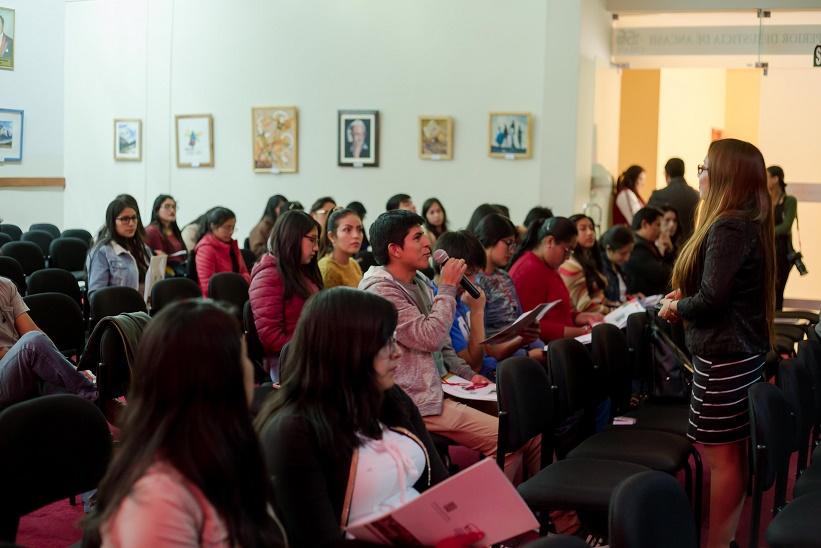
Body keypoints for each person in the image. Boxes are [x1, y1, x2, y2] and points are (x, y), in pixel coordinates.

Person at [256, 288, 484, 547]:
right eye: (385, 342)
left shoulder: (389, 396)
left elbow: (437, 483)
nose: (397, 352)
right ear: (346, 348)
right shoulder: (292, 432)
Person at [83, 300, 285, 547]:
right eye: (242, 355)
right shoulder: (158, 500)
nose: (249, 367)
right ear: (217, 376)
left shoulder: (227, 443)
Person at [359, 210, 540, 480]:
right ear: (395, 249)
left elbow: (441, 348)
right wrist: (447, 288)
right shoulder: (380, 291)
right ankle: (487, 519)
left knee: (531, 425)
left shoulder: (418, 281)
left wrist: (468, 375)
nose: (427, 245)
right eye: (418, 238)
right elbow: (428, 336)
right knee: (509, 440)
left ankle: (556, 517)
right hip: (413, 398)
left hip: (443, 385)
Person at [658, 139, 774, 548]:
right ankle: (724, 540)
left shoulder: (727, 225)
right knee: (731, 456)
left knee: (721, 459)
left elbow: (712, 298)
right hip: (738, 352)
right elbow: (718, 289)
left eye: (704, 167)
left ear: (724, 175)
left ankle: (718, 542)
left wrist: (677, 308)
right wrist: (683, 297)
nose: (700, 174)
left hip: (724, 355)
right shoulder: (744, 221)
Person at [0, 276, 122, 423]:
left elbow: (31, 329)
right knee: (33, 344)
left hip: (21, 368)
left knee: (66, 387)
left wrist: (62, 365)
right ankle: (100, 400)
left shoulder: (5, 286)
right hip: (5, 378)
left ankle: (94, 425)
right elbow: (31, 343)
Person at [435, 230, 543, 382]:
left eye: (475, 275)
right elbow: (474, 365)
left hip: (494, 370)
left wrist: (521, 338)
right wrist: (477, 312)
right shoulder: (441, 305)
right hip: (478, 379)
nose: (473, 282)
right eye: (468, 274)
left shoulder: (462, 299)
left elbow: (488, 352)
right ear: (446, 269)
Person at [249, 210, 322, 382]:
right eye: (312, 240)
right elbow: (272, 339)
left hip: (309, 354)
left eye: (317, 241)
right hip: (291, 363)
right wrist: (317, 343)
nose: (316, 248)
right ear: (292, 237)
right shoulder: (268, 276)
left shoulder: (299, 271)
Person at [508, 216, 604, 341]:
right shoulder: (528, 269)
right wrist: (581, 332)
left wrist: (578, 317)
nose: (568, 257)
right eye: (567, 250)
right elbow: (530, 325)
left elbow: (555, 312)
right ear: (550, 241)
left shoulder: (547, 265)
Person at [87, 196, 152, 299]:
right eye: (125, 219)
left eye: (134, 218)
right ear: (113, 222)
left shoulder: (144, 249)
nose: (131, 224)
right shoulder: (102, 253)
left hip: (144, 311)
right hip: (118, 313)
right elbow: (96, 296)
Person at [193, 207, 250, 297]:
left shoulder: (232, 245)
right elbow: (207, 286)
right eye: (227, 228)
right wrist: (238, 283)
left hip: (236, 294)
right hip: (216, 300)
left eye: (233, 228)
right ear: (213, 226)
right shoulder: (205, 249)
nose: (231, 232)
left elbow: (245, 272)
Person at [559, 214, 609, 314]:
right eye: (583, 229)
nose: (590, 233)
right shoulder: (571, 264)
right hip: (588, 319)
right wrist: (611, 310)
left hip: (599, 314)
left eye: (591, 228)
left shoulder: (589, 259)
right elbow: (583, 306)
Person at [621, 207, 671, 297]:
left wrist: (669, 250)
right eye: (658, 225)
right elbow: (661, 275)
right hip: (646, 297)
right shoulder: (636, 247)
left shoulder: (647, 243)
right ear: (644, 224)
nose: (660, 231)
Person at [647, 158, 700, 241]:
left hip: (666, 245)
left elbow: (648, 220)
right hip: (690, 245)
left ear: (666, 174)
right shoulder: (697, 195)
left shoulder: (658, 195)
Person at [768, 165, 798, 310]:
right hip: (766, 250)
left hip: (782, 252)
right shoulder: (764, 199)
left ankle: (777, 328)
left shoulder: (789, 200)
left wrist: (765, 232)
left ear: (775, 179)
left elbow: (786, 226)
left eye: (767, 176)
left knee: (777, 290)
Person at [318, 208, 364, 288]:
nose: (356, 235)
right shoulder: (327, 268)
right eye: (347, 230)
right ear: (332, 236)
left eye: (359, 230)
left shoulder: (353, 264)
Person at [144, 195, 187, 277]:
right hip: (165, 273)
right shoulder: (152, 231)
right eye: (167, 206)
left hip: (180, 269)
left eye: (174, 207)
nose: (172, 210)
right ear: (157, 210)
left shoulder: (174, 230)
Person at [600, 225, 635, 307]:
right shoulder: (600, 268)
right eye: (622, 253)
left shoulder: (619, 266)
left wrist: (632, 297)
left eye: (629, 252)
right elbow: (602, 301)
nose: (627, 258)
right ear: (609, 249)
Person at [248, 194, 287, 259]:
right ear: (272, 208)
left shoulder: (281, 225)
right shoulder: (261, 227)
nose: (283, 209)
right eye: (280, 206)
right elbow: (258, 252)